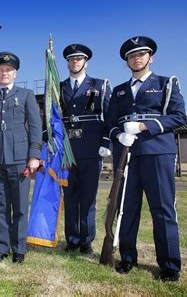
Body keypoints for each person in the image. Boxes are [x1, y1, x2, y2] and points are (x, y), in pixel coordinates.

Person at [105, 36, 186, 281]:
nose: (136, 59)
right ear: (126, 61)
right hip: (127, 156)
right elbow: (109, 122)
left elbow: (179, 117)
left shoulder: (165, 83)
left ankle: (170, 265)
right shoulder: (118, 91)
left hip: (157, 153)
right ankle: (128, 258)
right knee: (127, 209)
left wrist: (144, 125)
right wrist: (118, 135)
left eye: (141, 54)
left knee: (162, 209)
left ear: (151, 58)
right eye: (131, 56)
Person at [0, 52, 42, 264]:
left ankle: (20, 249)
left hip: (19, 160)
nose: (4, 73)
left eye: (8, 70)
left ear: (14, 73)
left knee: (20, 207)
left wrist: (34, 155)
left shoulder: (26, 95)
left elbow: (35, 127)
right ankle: (2, 248)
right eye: (0, 70)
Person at [60, 44, 112, 254]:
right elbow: (50, 116)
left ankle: (86, 240)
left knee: (88, 197)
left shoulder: (99, 85)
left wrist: (106, 142)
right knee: (70, 196)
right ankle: (72, 239)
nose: (75, 62)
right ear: (67, 63)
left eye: (79, 59)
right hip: (67, 150)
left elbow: (109, 115)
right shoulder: (58, 86)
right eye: (72, 60)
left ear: (85, 62)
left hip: (91, 149)